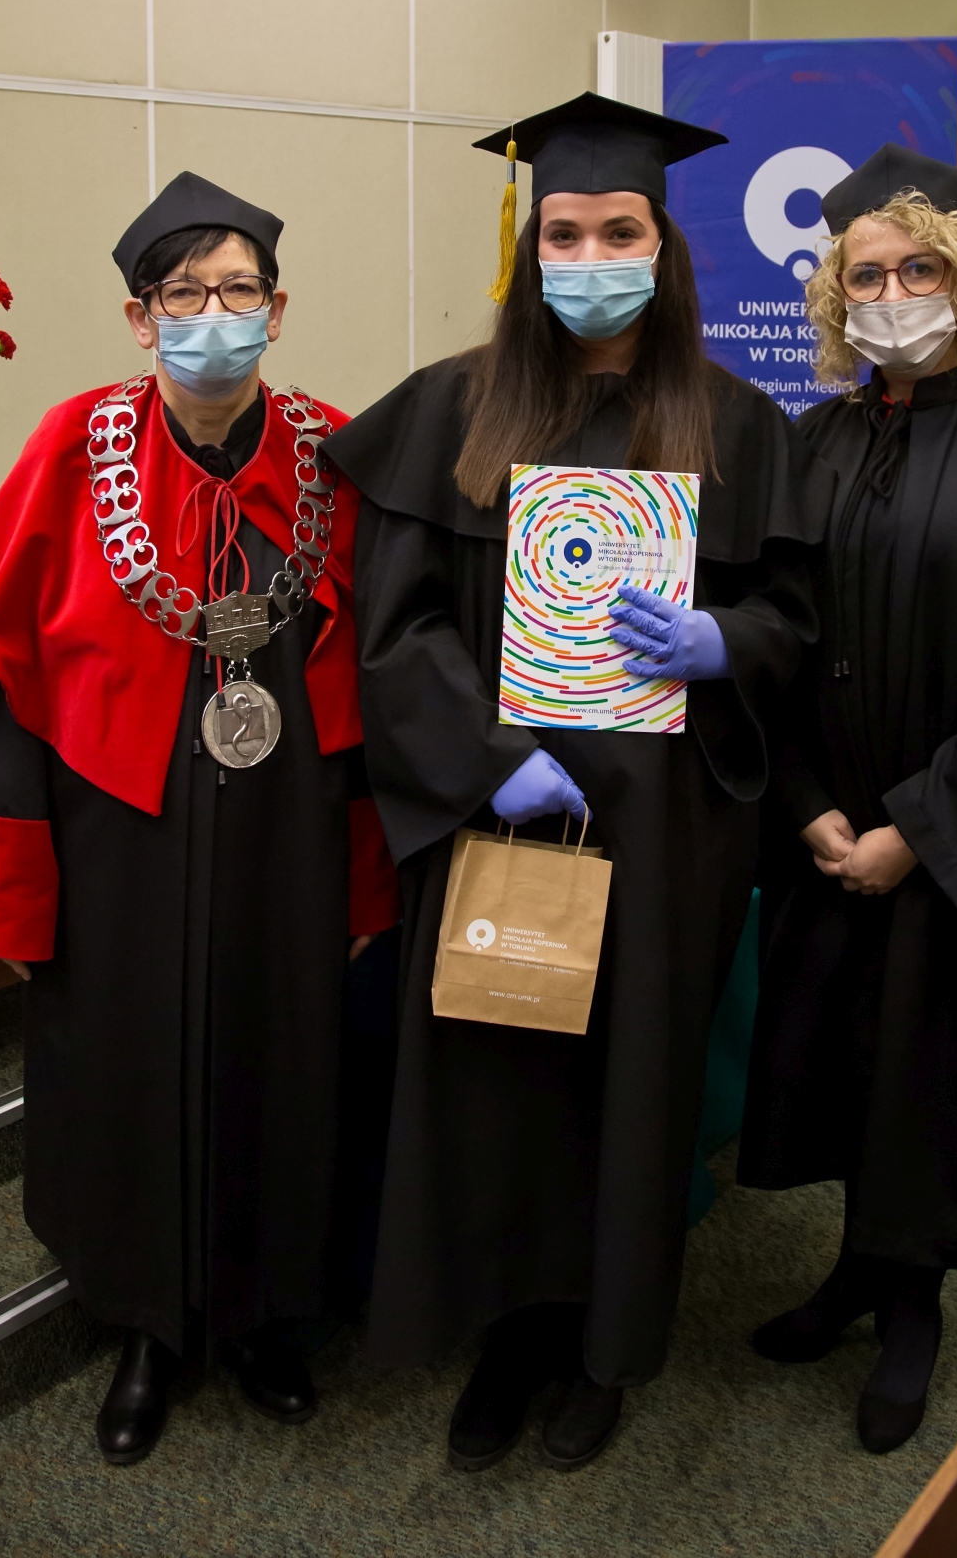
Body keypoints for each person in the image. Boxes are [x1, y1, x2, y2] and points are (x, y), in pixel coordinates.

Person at [323, 92, 832, 1473]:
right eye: (564, 232)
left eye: (619, 231)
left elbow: (794, 616)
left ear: (663, 246)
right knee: (501, 1072)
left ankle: (609, 1350)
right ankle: (510, 1333)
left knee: (633, 1087)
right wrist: (487, 760)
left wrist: (727, 640)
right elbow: (396, 629)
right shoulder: (454, 409)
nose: (591, 255)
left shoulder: (738, 424)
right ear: (528, 244)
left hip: (666, 826)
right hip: (509, 816)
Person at [0, 171, 400, 1465]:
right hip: (118, 840)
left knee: (284, 1055)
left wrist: (368, 872)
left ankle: (261, 1318)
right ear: (140, 318)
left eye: (238, 290)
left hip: (287, 837)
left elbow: (381, 677)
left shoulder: (334, 454)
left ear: (278, 309)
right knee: (123, 1068)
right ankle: (144, 1325)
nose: (213, 315)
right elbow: (7, 687)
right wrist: (15, 887)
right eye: (183, 294)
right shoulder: (71, 449)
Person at [738, 144, 957, 1453]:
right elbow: (776, 634)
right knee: (844, 1058)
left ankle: (913, 1309)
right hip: (833, 823)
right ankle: (854, 1272)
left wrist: (920, 830)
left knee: (937, 1066)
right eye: (867, 275)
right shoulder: (814, 441)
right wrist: (804, 803)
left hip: (949, 839)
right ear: (835, 295)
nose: (893, 295)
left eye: (920, 269)